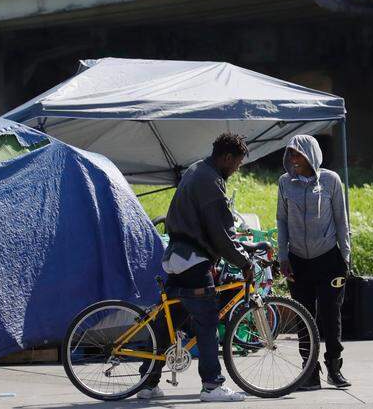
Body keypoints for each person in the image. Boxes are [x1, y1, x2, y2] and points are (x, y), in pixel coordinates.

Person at [139, 133, 253, 402]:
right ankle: (212, 386)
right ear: (227, 157)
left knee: (168, 324)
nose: (237, 169)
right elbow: (221, 235)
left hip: (178, 258)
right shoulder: (211, 182)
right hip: (193, 262)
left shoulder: (196, 169)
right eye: (237, 163)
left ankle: (147, 383)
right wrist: (244, 261)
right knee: (207, 322)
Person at [276, 134, 351, 390]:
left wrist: (346, 255)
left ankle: (334, 367)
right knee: (303, 318)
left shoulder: (331, 180)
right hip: (298, 261)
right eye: (291, 154)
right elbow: (281, 221)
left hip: (329, 258)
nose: (294, 160)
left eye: (298, 154)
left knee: (331, 314)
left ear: (311, 154)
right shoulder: (285, 183)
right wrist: (283, 256)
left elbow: (342, 220)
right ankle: (309, 372)